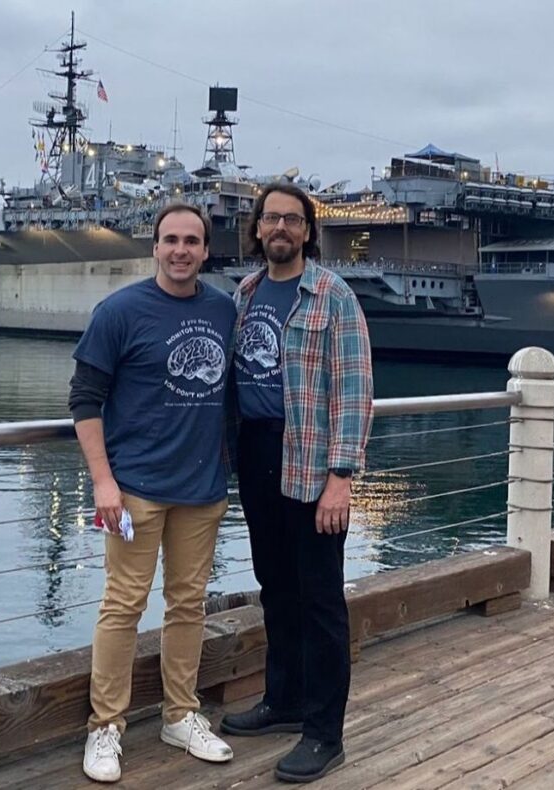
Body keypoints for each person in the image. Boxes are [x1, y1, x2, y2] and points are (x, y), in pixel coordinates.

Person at [69, 203, 236, 783]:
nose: (181, 250)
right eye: (170, 240)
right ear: (154, 248)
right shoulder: (118, 312)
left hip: (203, 489)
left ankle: (180, 715)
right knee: (122, 606)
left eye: (192, 240)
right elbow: (84, 401)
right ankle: (105, 726)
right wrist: (104, 482)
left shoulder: (224, 309)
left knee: (189, 605)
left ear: (207, 250)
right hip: (134, 489)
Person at [220, 183, 373, 783]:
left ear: (308, 230)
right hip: (257, 451)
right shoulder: (247, 292)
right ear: (256, 230)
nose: (279, 228)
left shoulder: (334, 296)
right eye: (269, 219)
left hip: (311, 461)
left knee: (320, 600)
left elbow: (356, 391)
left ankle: (323, 732)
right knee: (274, 587)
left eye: (291, 219)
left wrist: (342, 477)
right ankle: (282, 700)